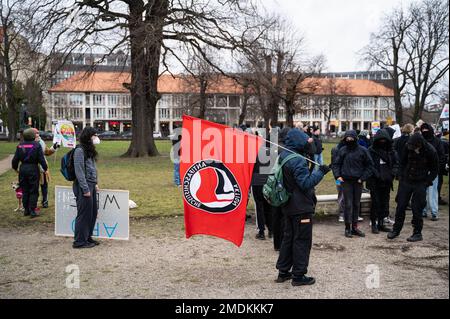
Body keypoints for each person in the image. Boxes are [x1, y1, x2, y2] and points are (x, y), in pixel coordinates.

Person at [275, 129, 330, 286]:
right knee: (302, 240)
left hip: (288, 205)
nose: (309, 145)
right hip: (300, 207)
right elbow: (305, 184)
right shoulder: (297, 160)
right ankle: (298, 276)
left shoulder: (284, 155)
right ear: (299, 142)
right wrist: (321, 173)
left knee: (288, 238)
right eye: (306, 142)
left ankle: (283, 271)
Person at [388, 133, 438, 242]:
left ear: (419, 144)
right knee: (401, 205)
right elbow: (402, 162)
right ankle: (396, 230)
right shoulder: (408, 146)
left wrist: (427, 181)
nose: (411, 148)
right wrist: (400, 175)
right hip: (406, 179)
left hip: (421, 181)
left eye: (414, 146)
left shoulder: (431, 151)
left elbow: (435, 169)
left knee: (417, 207)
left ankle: (417, 233)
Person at [333, 130, 374, 238]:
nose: (349, 140)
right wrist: (338, 176)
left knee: (356, 204)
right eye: (347, 139)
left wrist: (363, 178)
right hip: (345, 181)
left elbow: (370, 166)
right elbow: (336, 164)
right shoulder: (342, 150)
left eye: (351, 138)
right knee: (348, 204)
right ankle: (347, 228)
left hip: (358, 181)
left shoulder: (363, 150)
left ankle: (355, 227)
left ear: (356, 139)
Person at [72, 127, 100, 249]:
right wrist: (85, 189)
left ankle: (87, 237)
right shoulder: (79, 150)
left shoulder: (89, 150)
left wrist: (95, 183)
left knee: (92, 212)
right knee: (84, 214)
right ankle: (79, 241)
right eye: (94, 135)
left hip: (91, 184)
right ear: (88, 137)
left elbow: (92, 167)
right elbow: (79, 171)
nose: (96, 138)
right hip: (84, 186)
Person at [367, 129, 399, 234]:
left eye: (384, 140)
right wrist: (377, 175)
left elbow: (396, 164)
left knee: (384, 203)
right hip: (375, 181)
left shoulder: (391, 151)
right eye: (380, 140)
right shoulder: (371, 150)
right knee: (375, 203)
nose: (382, 142)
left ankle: (381, 223)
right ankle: (374, 224)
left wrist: (392, 173)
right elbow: (369, 165)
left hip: (387, 181)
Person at [11, 128, 48, 218]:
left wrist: (16, 168)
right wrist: (45, 167)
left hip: (23, 169)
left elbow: (15, 160)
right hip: (33, 169)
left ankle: (26, 210)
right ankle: (32, 210)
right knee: (33, 190)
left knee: (25, 190)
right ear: (32, 136)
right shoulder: (37, 145)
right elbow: (41, 159)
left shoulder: (20, 146)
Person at [420, 123, 445, 221]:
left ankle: (434, 212)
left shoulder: (437, 142)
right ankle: (423, 211)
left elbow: (441, 156)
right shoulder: (421, 141)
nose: (425, 132)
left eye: (426, 130)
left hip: (433, 170)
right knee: (422, 192)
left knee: (433, 192)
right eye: (423, 131)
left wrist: (437, 168)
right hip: (422, 170)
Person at [271, 127, 291, 251]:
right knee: (283, 216)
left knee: (275, 215)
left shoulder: (274, 146)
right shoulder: (286, 149)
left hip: (273, 184)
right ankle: (282, 242)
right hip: (282, 185)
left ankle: (276, 243)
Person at [34, 129, 60, 208]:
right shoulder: (29, 143)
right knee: (34, 187)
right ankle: (33, 203)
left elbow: (47, 152)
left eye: (38, 133)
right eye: (36, 134)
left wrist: (54, 147)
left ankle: (45, 201)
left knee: (44, 185)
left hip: (43, 168)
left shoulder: (41, 142)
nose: (37, 135)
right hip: (33, 168)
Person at [252, 144, 273, 240]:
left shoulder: (253, 152)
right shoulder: (271, 152)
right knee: (268, 206)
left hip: (257, 181)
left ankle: (261, 231)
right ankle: (271, 230)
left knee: (260, 207)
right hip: (267, 181)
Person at [331, 137, 346, 223]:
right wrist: (337, 176)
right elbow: (334, 165)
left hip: (349, 176)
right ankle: (341, 214)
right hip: (338, 177)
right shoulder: (336, 149)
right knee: (341, 194)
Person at [437, 130, 449, 205]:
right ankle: (437, 198)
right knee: (439, 182)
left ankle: (437, 197)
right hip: (440, 165)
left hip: (438, 165)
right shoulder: (445, 143)